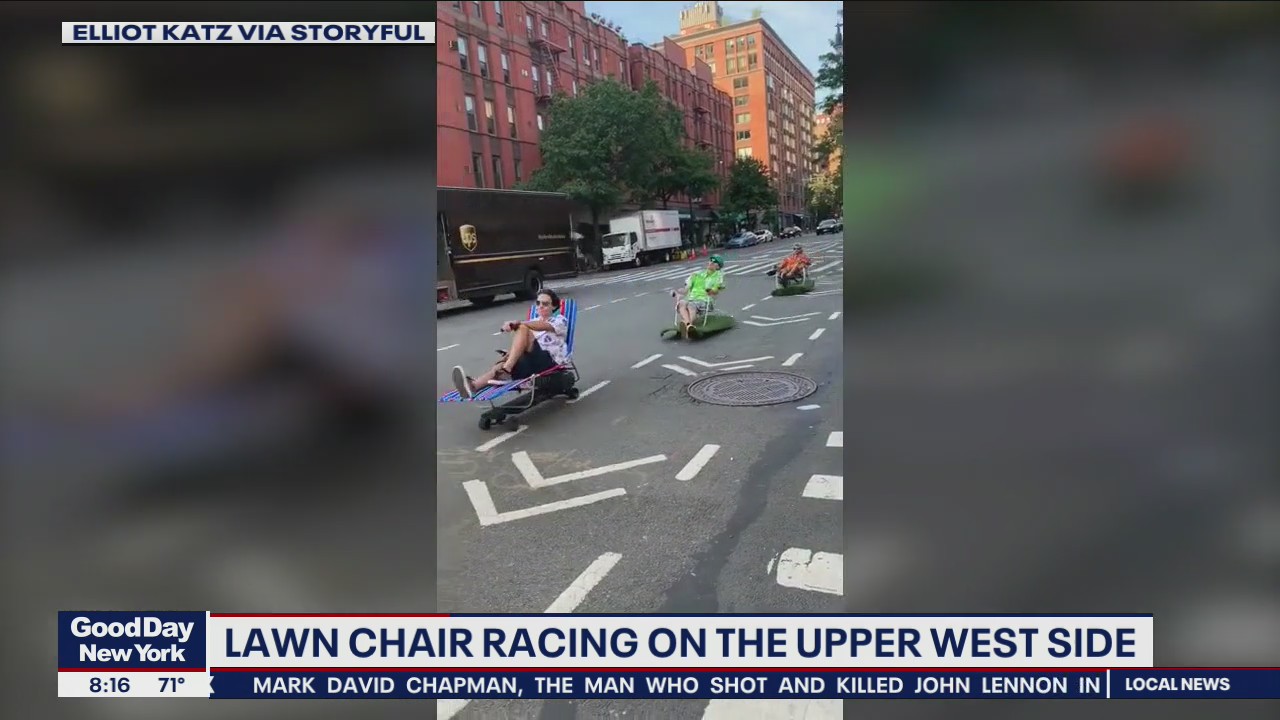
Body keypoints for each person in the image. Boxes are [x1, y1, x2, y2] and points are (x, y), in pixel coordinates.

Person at [451, 289, 568, 399]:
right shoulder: (532, 322)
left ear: (554, 306)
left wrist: (518, 323)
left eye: (545, 304)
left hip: (549, 362)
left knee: (522, 328)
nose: (540, 306)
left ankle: (507, 369)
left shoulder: (559, 320)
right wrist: (510, 354)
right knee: (501, 365)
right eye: (538, 303)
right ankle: (473, 386)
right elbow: (522, 344)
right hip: (531, 362)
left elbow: (544, 326)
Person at [674, 256, 726, 339]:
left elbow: (716, 290)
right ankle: (688, 325)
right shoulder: (698, 274)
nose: (711, 263)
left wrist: (711, 291)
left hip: (705, 300)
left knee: (691, 305)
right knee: (681, 303)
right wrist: (680, 291)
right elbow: (686, 289)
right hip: (691, 298)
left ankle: (687, 324)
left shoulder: (718, 277)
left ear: (718, 267)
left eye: (714, 262)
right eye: (710, 261)